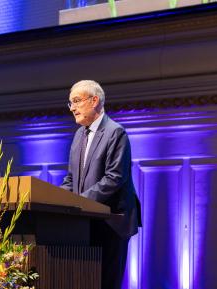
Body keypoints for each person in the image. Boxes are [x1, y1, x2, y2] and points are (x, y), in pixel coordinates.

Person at [61, 80, 141, 289]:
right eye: (70, 103)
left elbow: (114, 178)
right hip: (84, 223)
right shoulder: (79, 135)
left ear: (94, 100)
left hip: (111, 222)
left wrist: (79, 202)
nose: (73, 108)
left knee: (106, 283)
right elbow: (71, 179)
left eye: (76, 101)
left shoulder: (116, 132)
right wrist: (58, 200)